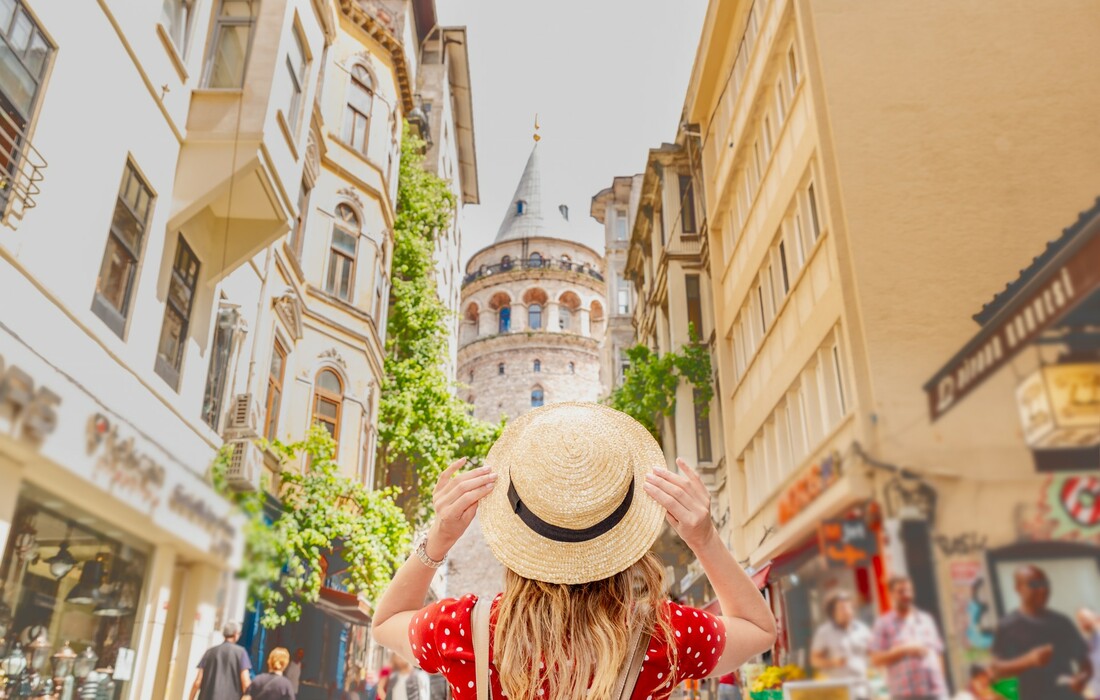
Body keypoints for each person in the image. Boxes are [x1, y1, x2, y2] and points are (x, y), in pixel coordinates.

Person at [369, 403, 777, 700]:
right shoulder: (664, 636)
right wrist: (704, 538)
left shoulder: (461, 629)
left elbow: (385, 620)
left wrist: (439, 538)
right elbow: (760, 630)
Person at [991, 565, 1092, 700]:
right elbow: (997, 669)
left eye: (1045, 584)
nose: (1043, 589)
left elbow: (1085, 663)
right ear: (1018, 588)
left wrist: (1081, 679)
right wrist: (1028, 661)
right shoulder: (1008, 626)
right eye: (1035, 584)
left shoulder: (1062, 623)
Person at [869, 576, 948, 700]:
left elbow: (938, 652)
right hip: (905, 694)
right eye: (901, 592)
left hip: (933, 691)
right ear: (891, 594)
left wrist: (941, 683)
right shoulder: (883, 623)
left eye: (909, 590)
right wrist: (903, 650)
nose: (906, 595)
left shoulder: (926, 619)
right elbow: (875, 659)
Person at [810, 591, 872, 698]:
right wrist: (833, 662)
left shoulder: (862, 629)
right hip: (838, 692)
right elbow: (815, 660)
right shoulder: (824, 632)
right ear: (833, 612)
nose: (847, 611)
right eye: (843, 608)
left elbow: (873, 653)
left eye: (850, 607)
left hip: (862, 690)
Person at [189, 621, 252, 700]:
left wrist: (190, 698)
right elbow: (246, 683)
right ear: (236, 634)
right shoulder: (241, 653)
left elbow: (198, 681)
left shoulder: (209, 652)